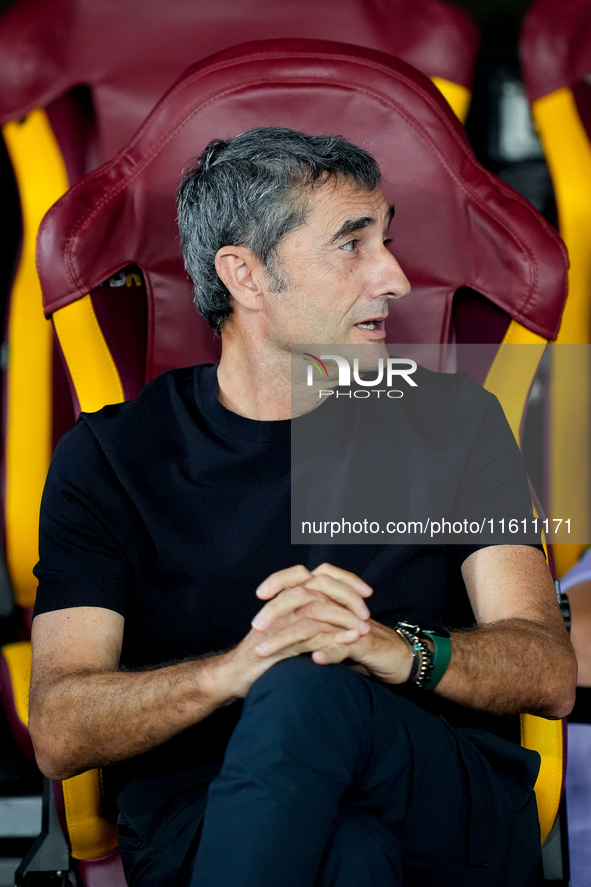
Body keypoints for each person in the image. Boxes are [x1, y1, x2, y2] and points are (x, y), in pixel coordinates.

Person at [28, 127, 577, 887]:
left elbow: (547, 669)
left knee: (311, 684)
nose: (392, 276)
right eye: (351, 246)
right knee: (345, 852)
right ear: (244, 275)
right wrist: (233, 670)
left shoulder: (457, 420)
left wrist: (389, 648)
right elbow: (58, 728)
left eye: (385, 240)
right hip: (210, 810)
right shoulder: (111, 457)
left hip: (439, 799)